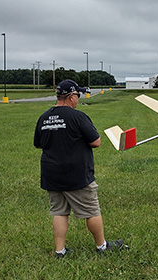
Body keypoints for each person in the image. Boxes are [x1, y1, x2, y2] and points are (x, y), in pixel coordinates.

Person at [34, 79, 125, 258]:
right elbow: (96, 142)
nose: (78, 99)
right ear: (70, 97)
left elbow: (38, 144)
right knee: (91, 211)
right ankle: (102, 247)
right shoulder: (77, 116)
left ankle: (60, 251)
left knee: (59, 212)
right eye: (77, 95)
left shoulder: (44, 117)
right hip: (76, 174)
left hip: (52, 174)